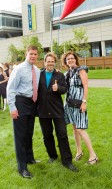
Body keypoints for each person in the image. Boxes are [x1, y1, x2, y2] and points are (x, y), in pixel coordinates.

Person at [37, 52, 78, 172]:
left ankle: (67, 161)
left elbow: (65, 89)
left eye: (52, 61)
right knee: (47, 135)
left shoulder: (59, 75)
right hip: (43, 110)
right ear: (44, 62)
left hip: (57, 110)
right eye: (48, 61)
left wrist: (58, 88)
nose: (50, 63)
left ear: (55, 63)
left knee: (62, 135)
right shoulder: (39, 75)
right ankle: (52, 156)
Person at [7, 45, 41, 179]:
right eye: (31, 53)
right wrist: (12, 107)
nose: (33, 56)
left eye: (35, 54)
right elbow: (10, 88)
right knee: (20, 136)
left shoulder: (37, 70)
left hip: (32, 104)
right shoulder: (19, 69)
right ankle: (22, 168)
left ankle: (29, 158)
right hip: (20, 102)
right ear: (26, 54)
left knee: (28, 133)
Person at [62, 51, 98, 165]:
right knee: (74, 128)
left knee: (80, 129)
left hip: (79, 103)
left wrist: (84, 102)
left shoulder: (81, 70)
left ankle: (93, 155)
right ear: (65, 62)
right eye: (68, 59)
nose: (70, 60)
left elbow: (86, 86)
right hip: (69, 104)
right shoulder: (67, 73)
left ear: (75, 59)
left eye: (72, 58)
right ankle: (79, 151)